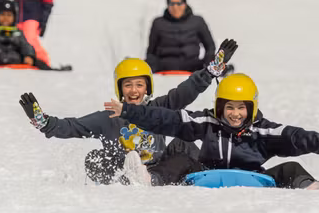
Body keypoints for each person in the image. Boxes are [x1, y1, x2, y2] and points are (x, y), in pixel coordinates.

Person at [19, 39, 239, 184]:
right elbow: (73, 126)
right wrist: (44, 122)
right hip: (124, 171)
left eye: (139, 85)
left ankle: (205, 175)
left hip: (157, 168)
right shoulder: (109, 117)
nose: (134, 90)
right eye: (128, 85)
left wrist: (211, 71)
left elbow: (186, 92)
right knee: (94, 158)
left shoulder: (158, 107)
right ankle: (128, 181)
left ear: (148, 88)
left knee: (185, 144)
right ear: (120, 89)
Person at [103, 73, 319, 189]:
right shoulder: (208, 122)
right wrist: (129, 111)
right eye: (229, 108)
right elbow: (167, 119)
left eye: (241, 108)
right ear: (219, 107)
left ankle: (313, 187)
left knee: (290, 168)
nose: (234, 114)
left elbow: (295, 137)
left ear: (252, 108)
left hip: (255, 177)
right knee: (180, 158)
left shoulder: (263, 131)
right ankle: (150, 179)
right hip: (206, 174)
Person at [145, 0, 216, 73]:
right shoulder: (158, 23)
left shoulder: (198, 21)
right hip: (165, 65)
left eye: (179, 3)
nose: (175, 7)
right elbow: (151, 51)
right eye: (172, 3)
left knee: (215, 66)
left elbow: (210, 47)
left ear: (184, 4)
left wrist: (208, 63)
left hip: (192, 64)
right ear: (167, 5)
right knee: (142, 65)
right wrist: (152, 65)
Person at [0, 0, 55, 69]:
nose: (5, 18)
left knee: (38, 62)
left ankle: (52, 71)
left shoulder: (17, 32)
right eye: (2, 14)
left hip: (14, 60)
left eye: (9, 15)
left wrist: (29, 55)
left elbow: (26, 45)